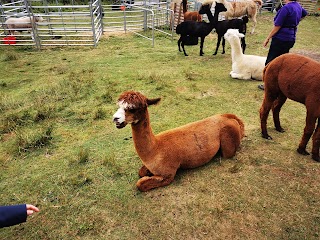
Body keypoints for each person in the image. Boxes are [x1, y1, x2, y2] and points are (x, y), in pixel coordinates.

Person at [258, 0, 307, 90]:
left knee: (271, 62)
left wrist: (268, 38)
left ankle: (268, 85)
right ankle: (280, 84)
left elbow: (277, 26)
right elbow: (304, 13)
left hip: (281, 38)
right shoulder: (298, 6)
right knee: (282, 62)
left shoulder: (286, 8)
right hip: (291, 37)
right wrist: (295, 22)